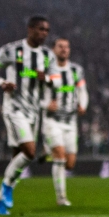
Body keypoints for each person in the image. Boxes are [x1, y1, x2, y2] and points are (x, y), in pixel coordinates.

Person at [0, 15, 53, 215]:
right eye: (41, 29)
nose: (44, 33)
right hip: (14, 109)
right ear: (30, 29)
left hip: (34, 112)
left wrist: (46, 78)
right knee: (30, 152)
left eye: (47, 30)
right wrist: (2, 83)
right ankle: (6, 189)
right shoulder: (11, 50)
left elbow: (57, 81)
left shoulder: (48, 56)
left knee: (17, 158)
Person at [42, 38, 88, 207]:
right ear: (54, 49)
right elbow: (35, 94)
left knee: (70, 164)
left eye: (67, 47)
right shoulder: (46, 71)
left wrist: (83, 105)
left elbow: (82, 91)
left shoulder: (76, 70)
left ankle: (48, 149)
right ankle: (61, 197)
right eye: (60, 46)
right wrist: (46, 105)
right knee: (60, 158)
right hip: (52, 120)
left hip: (70, 122)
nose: (64, 49)